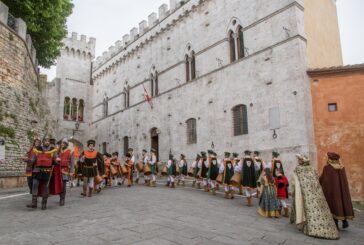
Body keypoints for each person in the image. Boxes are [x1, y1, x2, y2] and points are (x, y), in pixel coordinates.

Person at [290, 154, 339, 239]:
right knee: (320, 209)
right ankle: (328, 228)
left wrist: (293, 191)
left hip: (305, 194)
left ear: (301, 161)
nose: (298, 161)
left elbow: (295, 182)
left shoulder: (298, 169)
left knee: (307, 210)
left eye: (299, 160)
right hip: (316, 193)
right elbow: (317, 179)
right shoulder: (313, 169)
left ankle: (309, 227)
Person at [320, 152, 355, 229]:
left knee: (334, 204)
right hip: (341, 191)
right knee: (342, 203)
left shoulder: (327, 168)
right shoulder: (342, 167)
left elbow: (323, 179)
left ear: (330, 159)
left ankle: (335, 224)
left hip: (332, 191)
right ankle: (344, 221)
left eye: (328, 158)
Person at [26, 137, 62, 210]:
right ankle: (34, 203)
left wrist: (57, 160)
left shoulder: (53, 150)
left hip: (47, 171)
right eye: (45, 141)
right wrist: (28, 160)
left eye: (48, 141)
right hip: (37, 170)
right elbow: (33, 159)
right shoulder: (38, 149)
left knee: (45, 187)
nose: (47, 142)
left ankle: (44, 203)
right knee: (35, 184)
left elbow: (56, 158)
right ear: (43, 142)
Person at [58, 138, 74, 206]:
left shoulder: (70, 151)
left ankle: (62, 199)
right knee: (59, 185)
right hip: (58, 170)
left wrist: (71, 171)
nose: (62, 144)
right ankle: (60, 197)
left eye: (63, 143)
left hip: (65, 170)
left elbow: (72, 162)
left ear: (66, 144)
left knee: (63, 186)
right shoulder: (58, 151)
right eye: (61, 143)